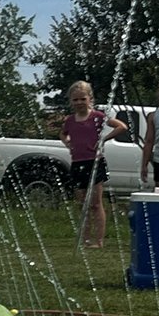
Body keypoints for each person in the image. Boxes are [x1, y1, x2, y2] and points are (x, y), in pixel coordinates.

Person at [60, 81, 126, 248]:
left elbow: (121, 127)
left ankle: (99, 240)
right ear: (71, 101)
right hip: (77, 162)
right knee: (82, 204)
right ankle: (85, 238)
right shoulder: (70, 120)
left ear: (90, 99)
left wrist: (104, 139)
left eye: (83, 99)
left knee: (96, 203)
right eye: (75, 100)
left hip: (94, 162)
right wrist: (67, 143)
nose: (79, 103)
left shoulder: (98, 117)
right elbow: (63, 134)